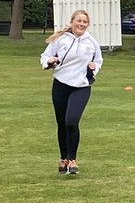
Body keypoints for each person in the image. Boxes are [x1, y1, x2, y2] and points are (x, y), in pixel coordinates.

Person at [40, 10, 103, 176]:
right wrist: (49, 61)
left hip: (81, 87)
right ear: (72, 22)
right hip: (60, 85)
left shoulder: (91, 42)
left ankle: (73, 159)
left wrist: (93, 67)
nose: (81, 24)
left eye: (84, 22)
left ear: (87, 25)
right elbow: (45, 55)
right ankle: (63, 159)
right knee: (61, 123)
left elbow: (98, 60)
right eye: (79, 21)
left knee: (71, 121)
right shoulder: (61, 39)